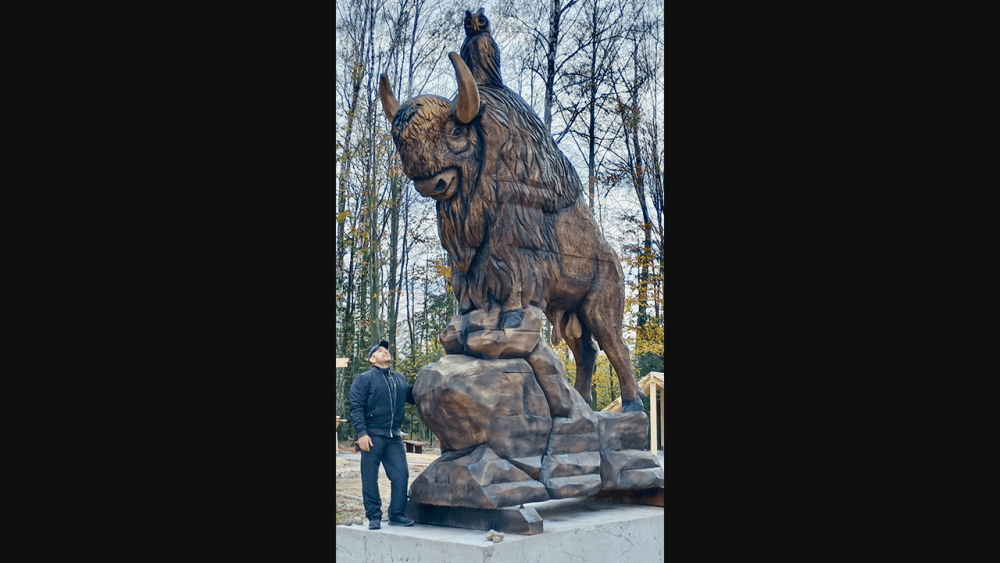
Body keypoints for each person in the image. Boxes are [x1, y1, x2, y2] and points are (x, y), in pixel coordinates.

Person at [349, 340, 417, 529]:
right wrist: (362, 433)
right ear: (372, 359)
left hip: (394, 437)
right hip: (372, 435)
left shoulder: (400, 379)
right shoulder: (364, 379)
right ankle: (374, 516)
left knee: (401, 475)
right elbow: (356, 407)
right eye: (380, 351)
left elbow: (414, 396)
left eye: (386, 350)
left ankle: (396, 515)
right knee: (370, 477)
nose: (385, 352)